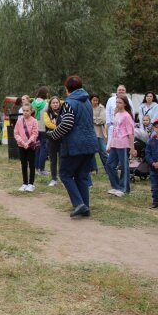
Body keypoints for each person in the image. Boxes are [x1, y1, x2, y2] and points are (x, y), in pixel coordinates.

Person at [47, 76, 97, 217]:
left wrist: (53, 134)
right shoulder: (87, 102)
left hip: (75, 145)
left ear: (68, 88)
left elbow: (67, 124)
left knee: (65, 174)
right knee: (81, 176)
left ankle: (78, 204)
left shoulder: (69, 103)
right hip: (90, 143)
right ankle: (85, 206)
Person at [104, 94, 137, 197]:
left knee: (124, 167)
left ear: (125, 104)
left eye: (120, 102)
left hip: (123, 144)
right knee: (109, 165)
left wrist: (132, 148)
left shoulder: (127, 116)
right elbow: (114, 130)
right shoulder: (117, 114)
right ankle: (116, 186)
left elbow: (130, 133)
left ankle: (125, 188)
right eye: (117, 102)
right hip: (115, 144)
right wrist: (110, 144)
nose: (117, 104)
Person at [14, 103, 39, 192]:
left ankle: (31, 183)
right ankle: (24, 183)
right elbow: (16, 133)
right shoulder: (19, 120)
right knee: (23, 164)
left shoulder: (34, 121)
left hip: (31, 146)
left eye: (27, 111)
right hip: (21, 146)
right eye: (24, 111)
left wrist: (28, 142)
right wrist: (22, 142)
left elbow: (35, 133)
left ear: (31, 111)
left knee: (31, 165)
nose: (25, 112)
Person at [31, 87, 49, 176]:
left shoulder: (32, 103)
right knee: (43, 148)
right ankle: (41, 169)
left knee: (36, 148)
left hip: (34, 129)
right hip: (43, 128)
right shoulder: (46, 104)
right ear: (45, 94)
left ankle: (36, 168)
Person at [43, 96, 61, 187]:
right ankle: (54, 178)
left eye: (56, 102)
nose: (55, 104)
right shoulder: (46, 113)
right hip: (51, 139)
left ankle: (63, 178)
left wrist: (57, 125)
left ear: (59, 103)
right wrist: (59, 127)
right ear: (50, 104)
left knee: (62, 160)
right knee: (53, 160)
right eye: (53, 103)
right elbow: (48, 124)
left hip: (61, 139)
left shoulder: (63, 112)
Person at [90, 93, 108, 170]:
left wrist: (92, 119)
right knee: (91, 152)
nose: (95, 102)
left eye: (97, 100)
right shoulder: (88, 107)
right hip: (90, 132)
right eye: (94, 100)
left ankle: (108, 168)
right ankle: (93, 169)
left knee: (103, 151)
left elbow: (103, 120)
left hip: (99, 133)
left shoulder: (101, 108)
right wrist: (96, 119)